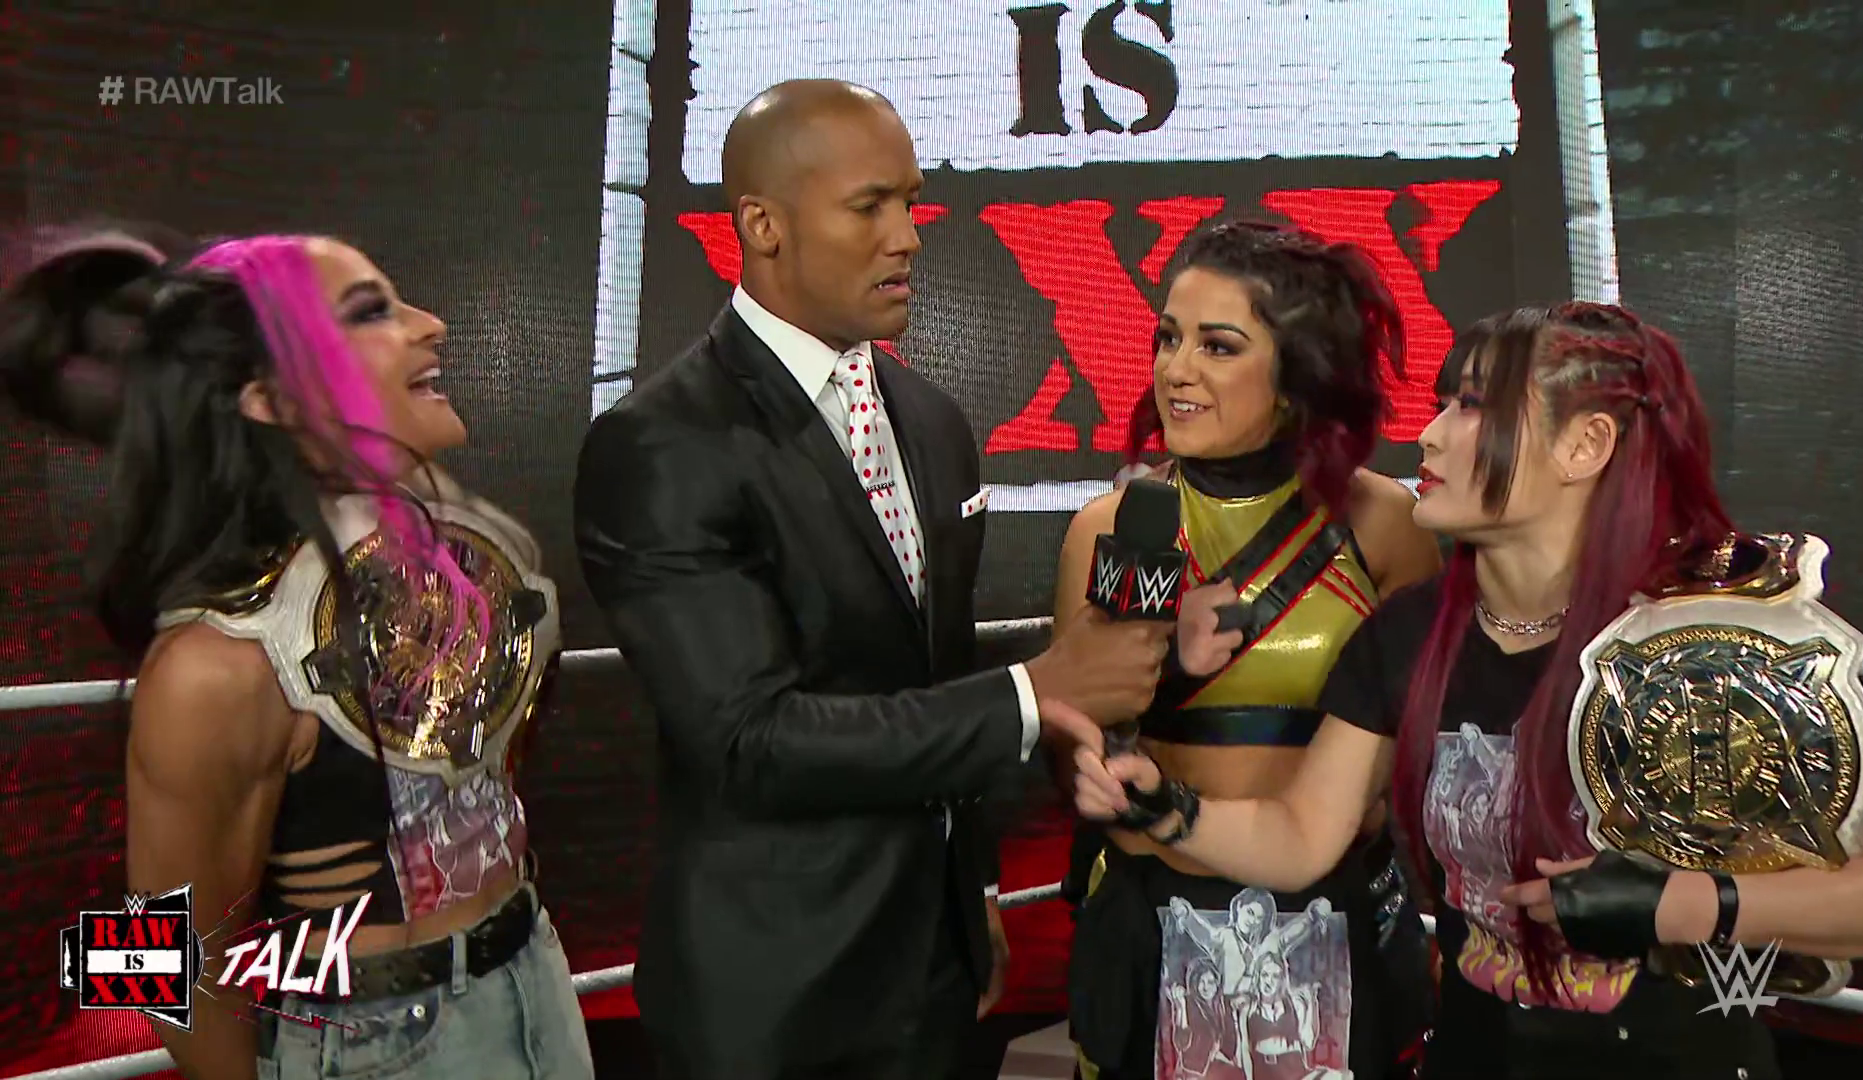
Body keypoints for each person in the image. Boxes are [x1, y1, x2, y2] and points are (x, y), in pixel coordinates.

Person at [1071, 302, 1863, 1079]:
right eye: (1444, 403)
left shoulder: (1700, 645)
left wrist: (1685, 903)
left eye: (1474, 407)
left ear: (1585, 444)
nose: (1432, 435)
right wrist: (1168, 809)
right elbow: (1301, 835)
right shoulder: (1409, 634)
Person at [573, 79, 1167, 1080]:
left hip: (938, 973)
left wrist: (974, 888)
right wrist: (1035, 693)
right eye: (869, 207)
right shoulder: (662, 446)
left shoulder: (930, 420)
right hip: (775, 998)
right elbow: (750, 740)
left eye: (911, 202)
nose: (908, 237)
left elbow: (929, 674)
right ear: (762, 225)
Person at [0, 224, 591, 1079]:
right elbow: (152, 949)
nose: (431, 325)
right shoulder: (215, 663)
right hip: (371, 1040)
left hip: (534, 973)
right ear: (267, 397)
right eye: (371, 312)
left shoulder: (458, 549)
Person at [1048, 221, 1439, 1080]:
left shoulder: (1385, 530)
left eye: (1218, 346)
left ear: (1298, 375)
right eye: (1169, 338)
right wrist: (1149, 681)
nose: (1176, 369)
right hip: (1148, 927)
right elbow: (1067, 757)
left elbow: (1413, 763)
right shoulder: (1108, 530)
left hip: (1327, 918)